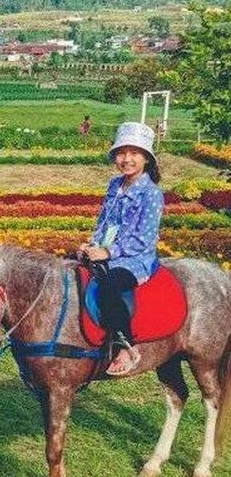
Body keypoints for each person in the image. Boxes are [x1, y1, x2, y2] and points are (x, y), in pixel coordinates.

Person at [78, 122, 164, 376]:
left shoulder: (151, 193)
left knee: (110, 283)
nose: (127, 159)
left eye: (134, 153)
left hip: (136, 259)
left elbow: (144, 240)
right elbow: (104, 222)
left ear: (146, 158)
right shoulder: (115, 185)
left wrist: (108, 253)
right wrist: (92, 245)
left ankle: (126, 344)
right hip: (106, 250)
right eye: (121, 153)